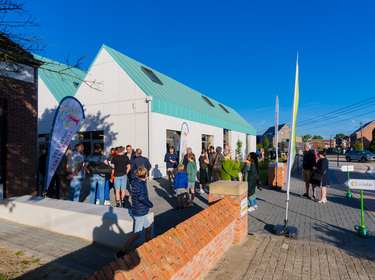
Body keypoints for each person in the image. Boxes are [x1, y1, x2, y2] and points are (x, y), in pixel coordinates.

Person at [115, 167, 153, 259]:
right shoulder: (142, 184)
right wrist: (150, 204)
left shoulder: (135, 182)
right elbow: (142, 198)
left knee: (148, 228)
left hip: (140, 210)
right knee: (137, 234)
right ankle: (121, 252)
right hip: (140, 212)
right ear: (146, 175)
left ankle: (150, 246)